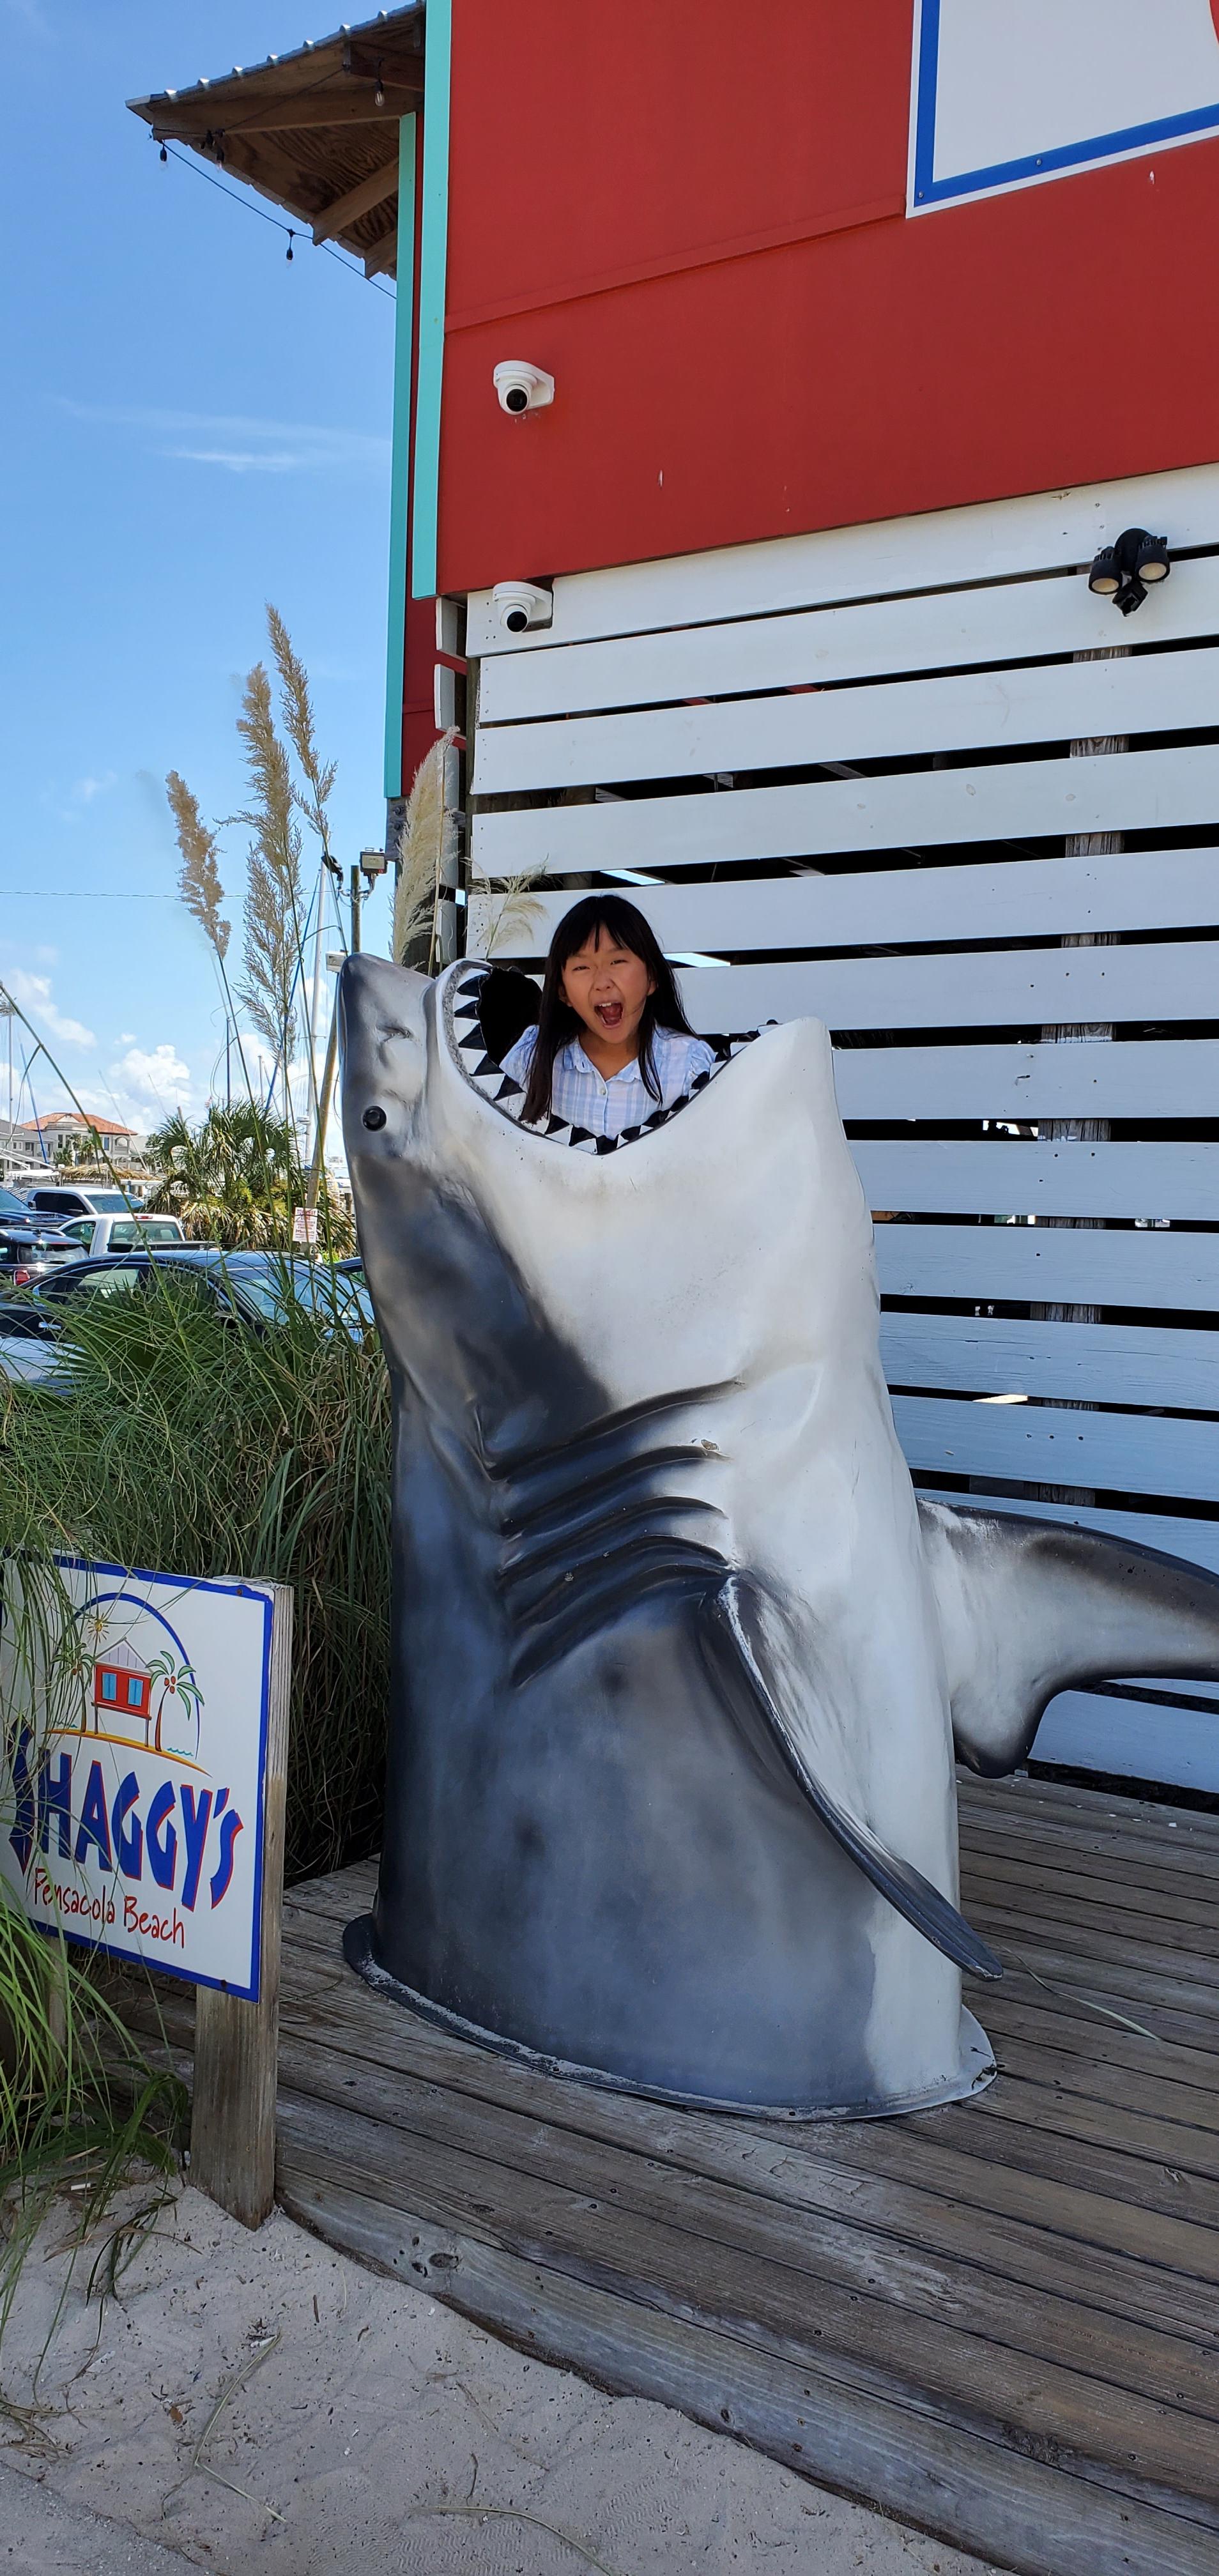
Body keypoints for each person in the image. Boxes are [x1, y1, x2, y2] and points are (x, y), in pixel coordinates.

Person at [501, 895, 717, 1141]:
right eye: (582, 967)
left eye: (617, 961)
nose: (602, 982)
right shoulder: (530, 1058)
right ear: (563, 992)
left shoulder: (689, 1065)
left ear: (652, 977)